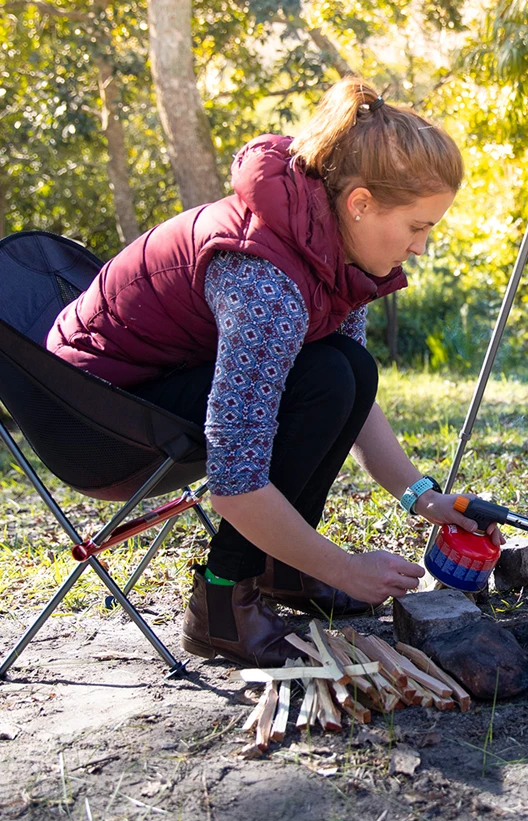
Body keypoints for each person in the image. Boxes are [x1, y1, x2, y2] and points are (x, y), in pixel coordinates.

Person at [47, 77, 498, 667]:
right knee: (327, 378)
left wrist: (423, 499)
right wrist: (343, 567)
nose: (421, 248)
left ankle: (284, 570)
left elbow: (353, 399)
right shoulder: (267, 283)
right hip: (92, 414)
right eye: (418, 228)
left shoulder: (333, 250)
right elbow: (236, 482)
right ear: (359, 203)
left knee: (348, 368)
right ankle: (220, 601)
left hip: (158, 378)